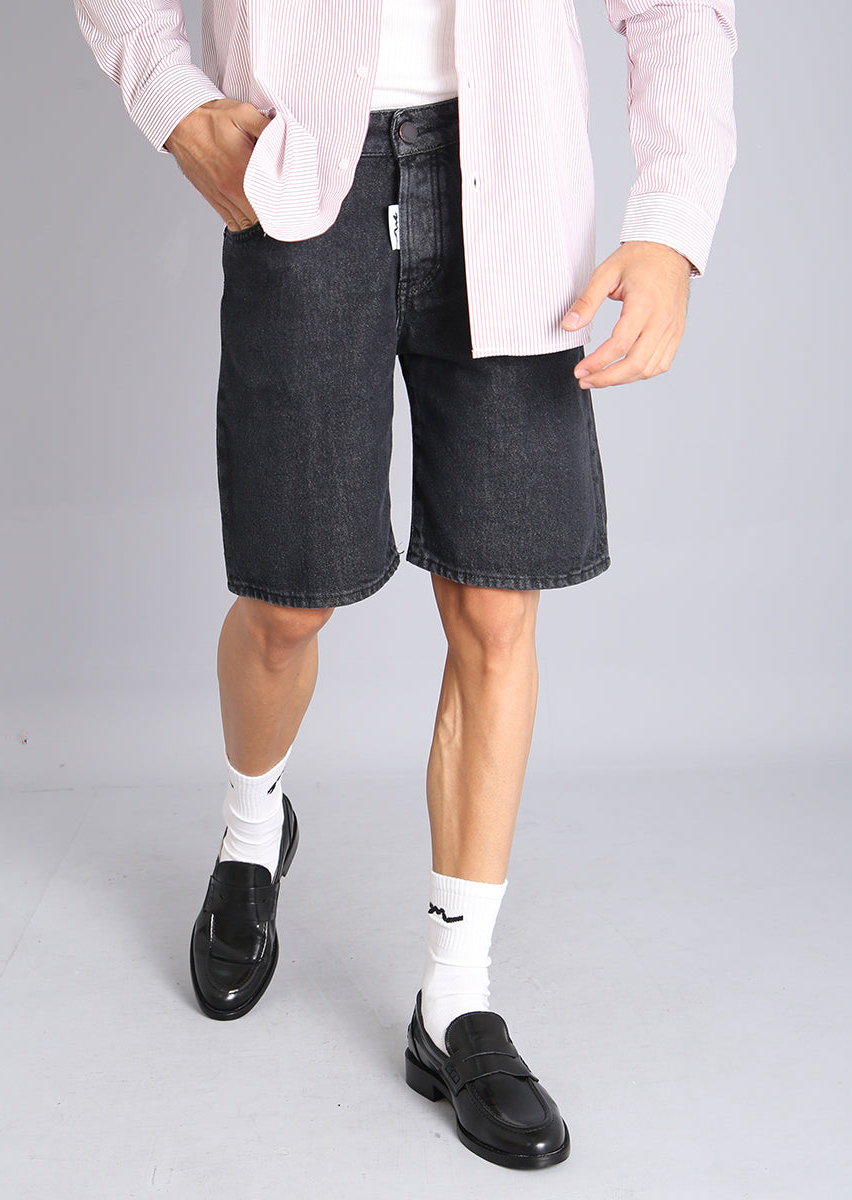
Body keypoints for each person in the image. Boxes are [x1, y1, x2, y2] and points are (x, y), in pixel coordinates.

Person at [74, 0, 736, 1170]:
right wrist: (170, 101)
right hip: (298, 166)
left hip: (513, 169)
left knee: (496, 604)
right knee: (287, 602)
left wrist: (673, 224)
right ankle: (252, 832)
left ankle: (456, 997)